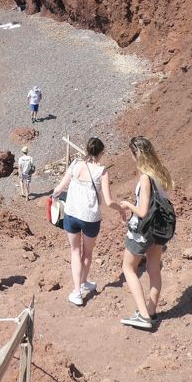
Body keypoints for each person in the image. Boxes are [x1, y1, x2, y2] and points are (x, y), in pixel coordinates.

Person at [51, 137, 121, 307]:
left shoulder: (75, 164)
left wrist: (53, 198)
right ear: (101, 152)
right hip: (90, 218)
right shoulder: (102, 171)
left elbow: (59, 188)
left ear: (87, 149)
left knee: (75, 251)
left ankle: (78, 292)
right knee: (87, 253)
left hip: (71, 214)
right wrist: (121, 210)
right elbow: (109, 201)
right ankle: (81, 285)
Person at [119, 136, 174, 330]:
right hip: (158, 230)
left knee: (128, 268)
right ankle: (151, 311)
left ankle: (143, 316)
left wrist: (127, 205)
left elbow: (142, 212)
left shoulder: (145, 178)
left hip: (143, 231)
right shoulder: (160, 174)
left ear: (137, 154)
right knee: (153, 269)